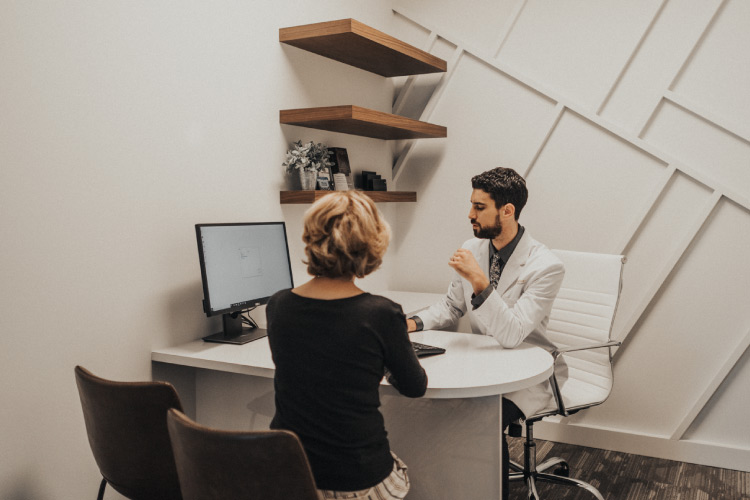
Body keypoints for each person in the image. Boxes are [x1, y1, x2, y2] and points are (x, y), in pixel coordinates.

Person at [406, 166, 565, 500]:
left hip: (528, 374)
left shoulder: (546, 266)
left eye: (479, 207)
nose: (470, 215)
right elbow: (451, 307)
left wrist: (479, 281)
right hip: (480, 365)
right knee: (424, 409)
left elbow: (512, 334)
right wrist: (412, 323)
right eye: (471, 205)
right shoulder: (473, 246)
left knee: (478, 422)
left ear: (507, 211)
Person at [267, 190, 428, 500]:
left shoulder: (278, 305)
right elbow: (414, 386)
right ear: (371, 245)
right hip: (356, 475)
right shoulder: (382, 313)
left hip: (290, 473)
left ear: (311, 237)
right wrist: (383, 365)